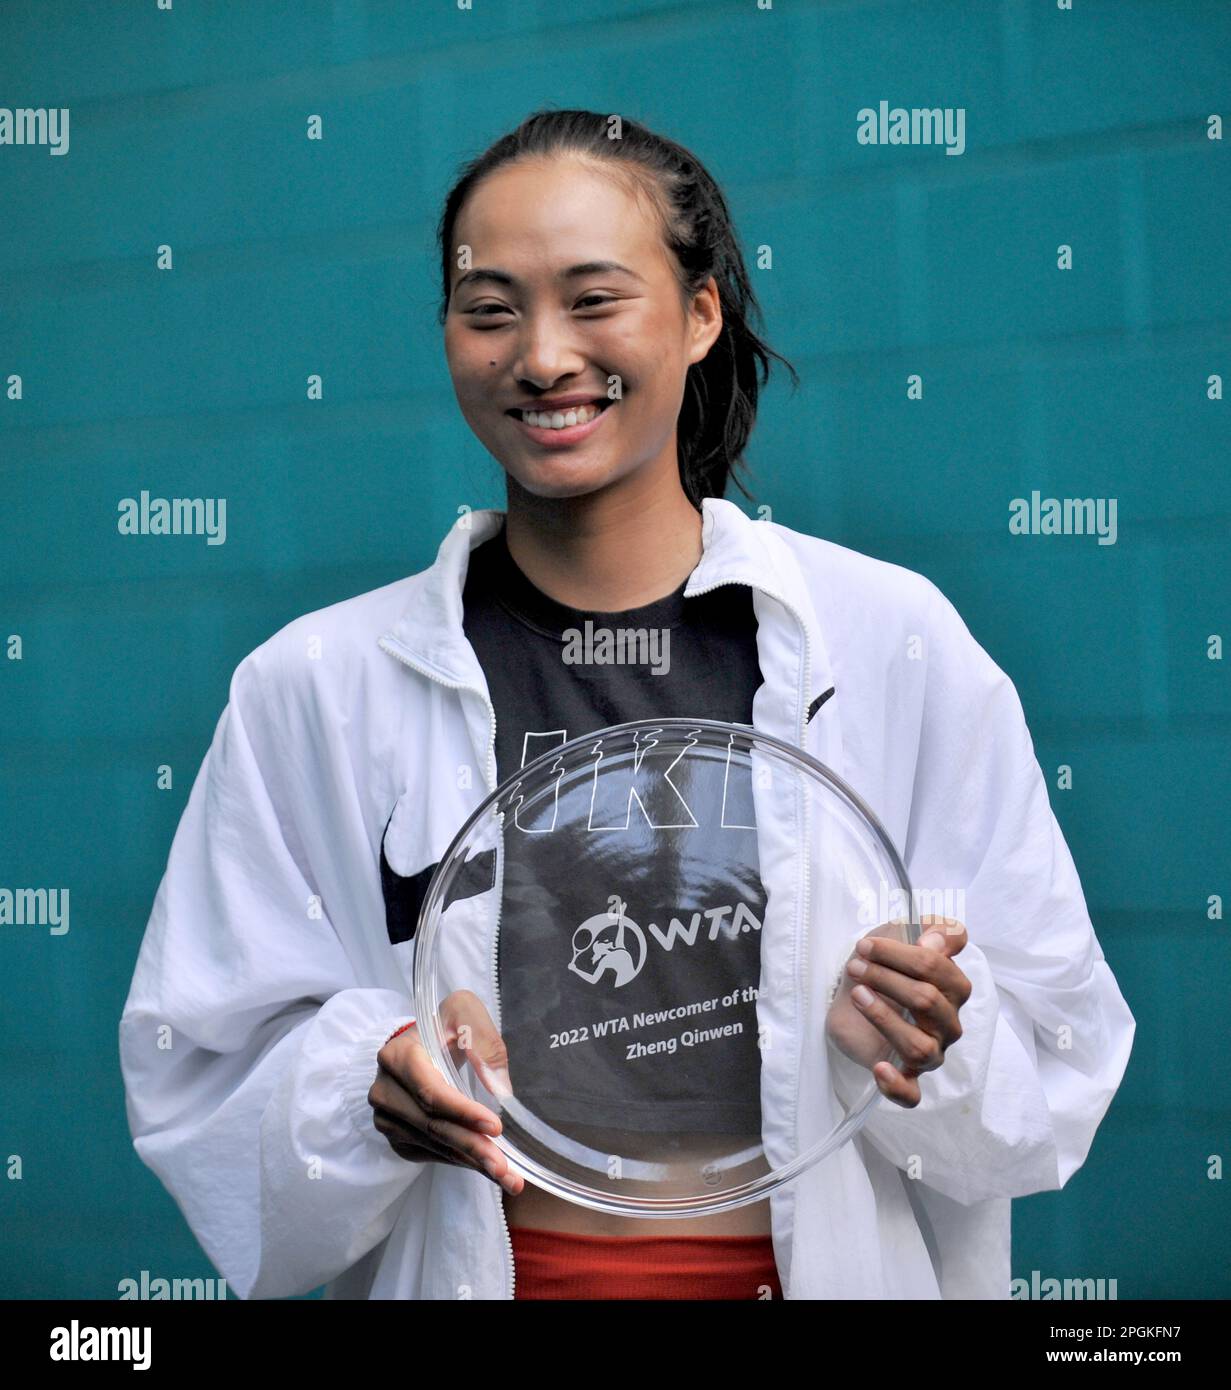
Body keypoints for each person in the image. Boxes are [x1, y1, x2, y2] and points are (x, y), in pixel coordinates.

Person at [119, 109, 1135, 1300]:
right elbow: (198, 1075)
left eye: (594, 299)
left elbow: (1060, 1073)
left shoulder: (893, 642)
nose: (541, 356)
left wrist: (929, 1046)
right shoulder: (314, 688)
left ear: (701, 314)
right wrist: (365, 1082)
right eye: (489, 310)